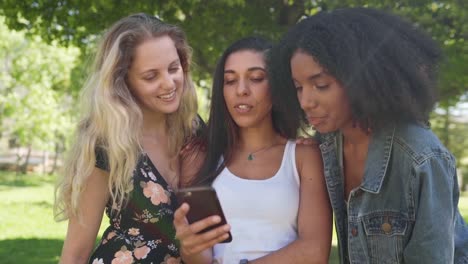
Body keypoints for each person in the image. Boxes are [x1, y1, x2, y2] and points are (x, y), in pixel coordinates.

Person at [269, 7, 468, 264]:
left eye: (321, 85)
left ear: (361, 79)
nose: (306, 101)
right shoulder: (327, 145)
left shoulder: (421, 157)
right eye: (298, 87)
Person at [54, 13, 199, 264]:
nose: (169, 83)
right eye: (151, 76)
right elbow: (76, 252)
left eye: (173, 69)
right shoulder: (106, 143)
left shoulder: (194, 130)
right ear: (124, 82)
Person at [173, 36, 332, 264]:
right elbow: (201, 257)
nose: (241, 90)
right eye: (230, 81)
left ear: (277, 86)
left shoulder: (303, 156)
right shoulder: (202, 156)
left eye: (256, 78)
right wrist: (189, 248)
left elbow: (314, 252)